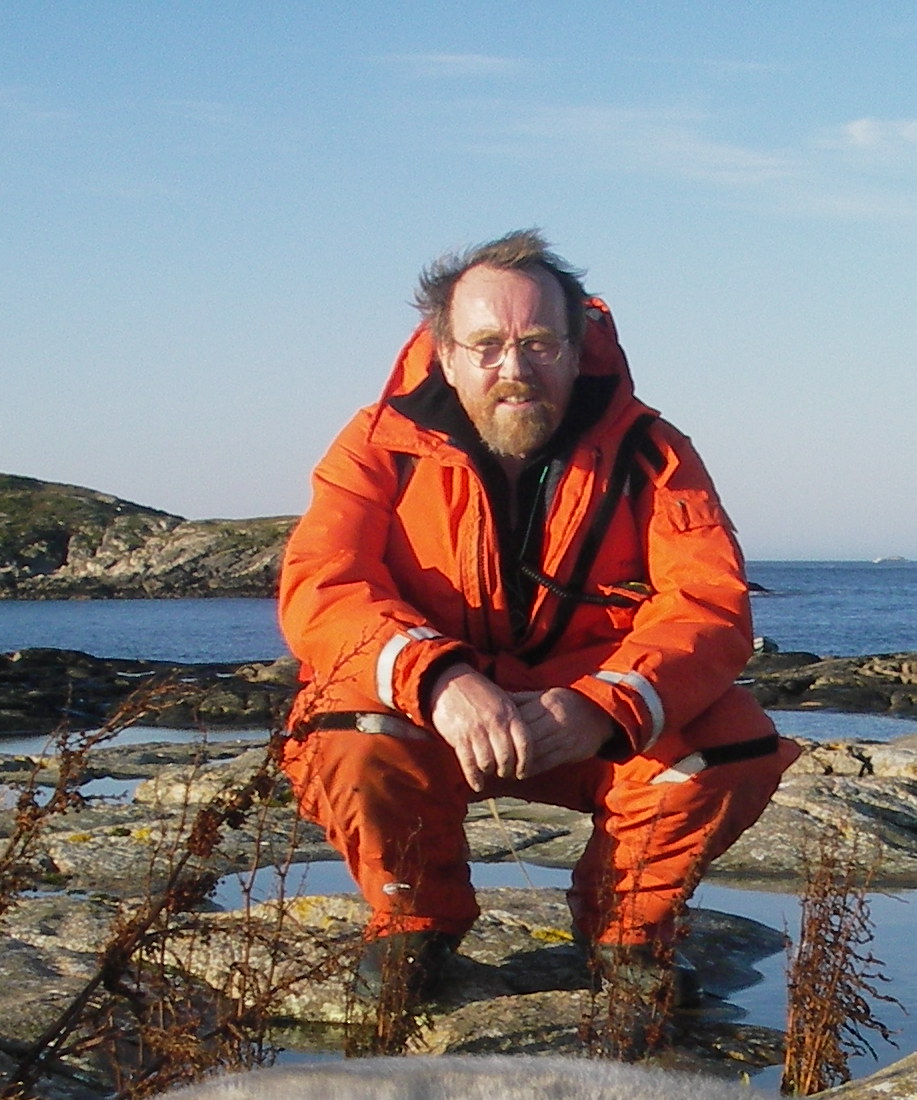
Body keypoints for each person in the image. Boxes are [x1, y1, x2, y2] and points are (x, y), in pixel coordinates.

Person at [277, 230, 797, 1024]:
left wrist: (602, 704)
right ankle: (416, 922)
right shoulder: (375, 447)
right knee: (346, 725)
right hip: (434, 718)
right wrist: (437, 679)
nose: (513, 369)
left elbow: (709, 605)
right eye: (486, 345)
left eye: (538, 343)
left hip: (588, 721)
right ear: (444, 352)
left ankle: (626, 935)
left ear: (576, 345)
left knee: (732, 739)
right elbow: (324, 587)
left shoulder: (653, 453)